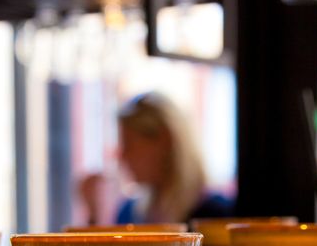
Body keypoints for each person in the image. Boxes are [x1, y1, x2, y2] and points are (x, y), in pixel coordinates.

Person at [79, 92, 231, 226]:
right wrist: (94, 214)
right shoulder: (128, 213)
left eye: (128, 144)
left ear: (165, 140)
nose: (121, 155)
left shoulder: (216, 214)